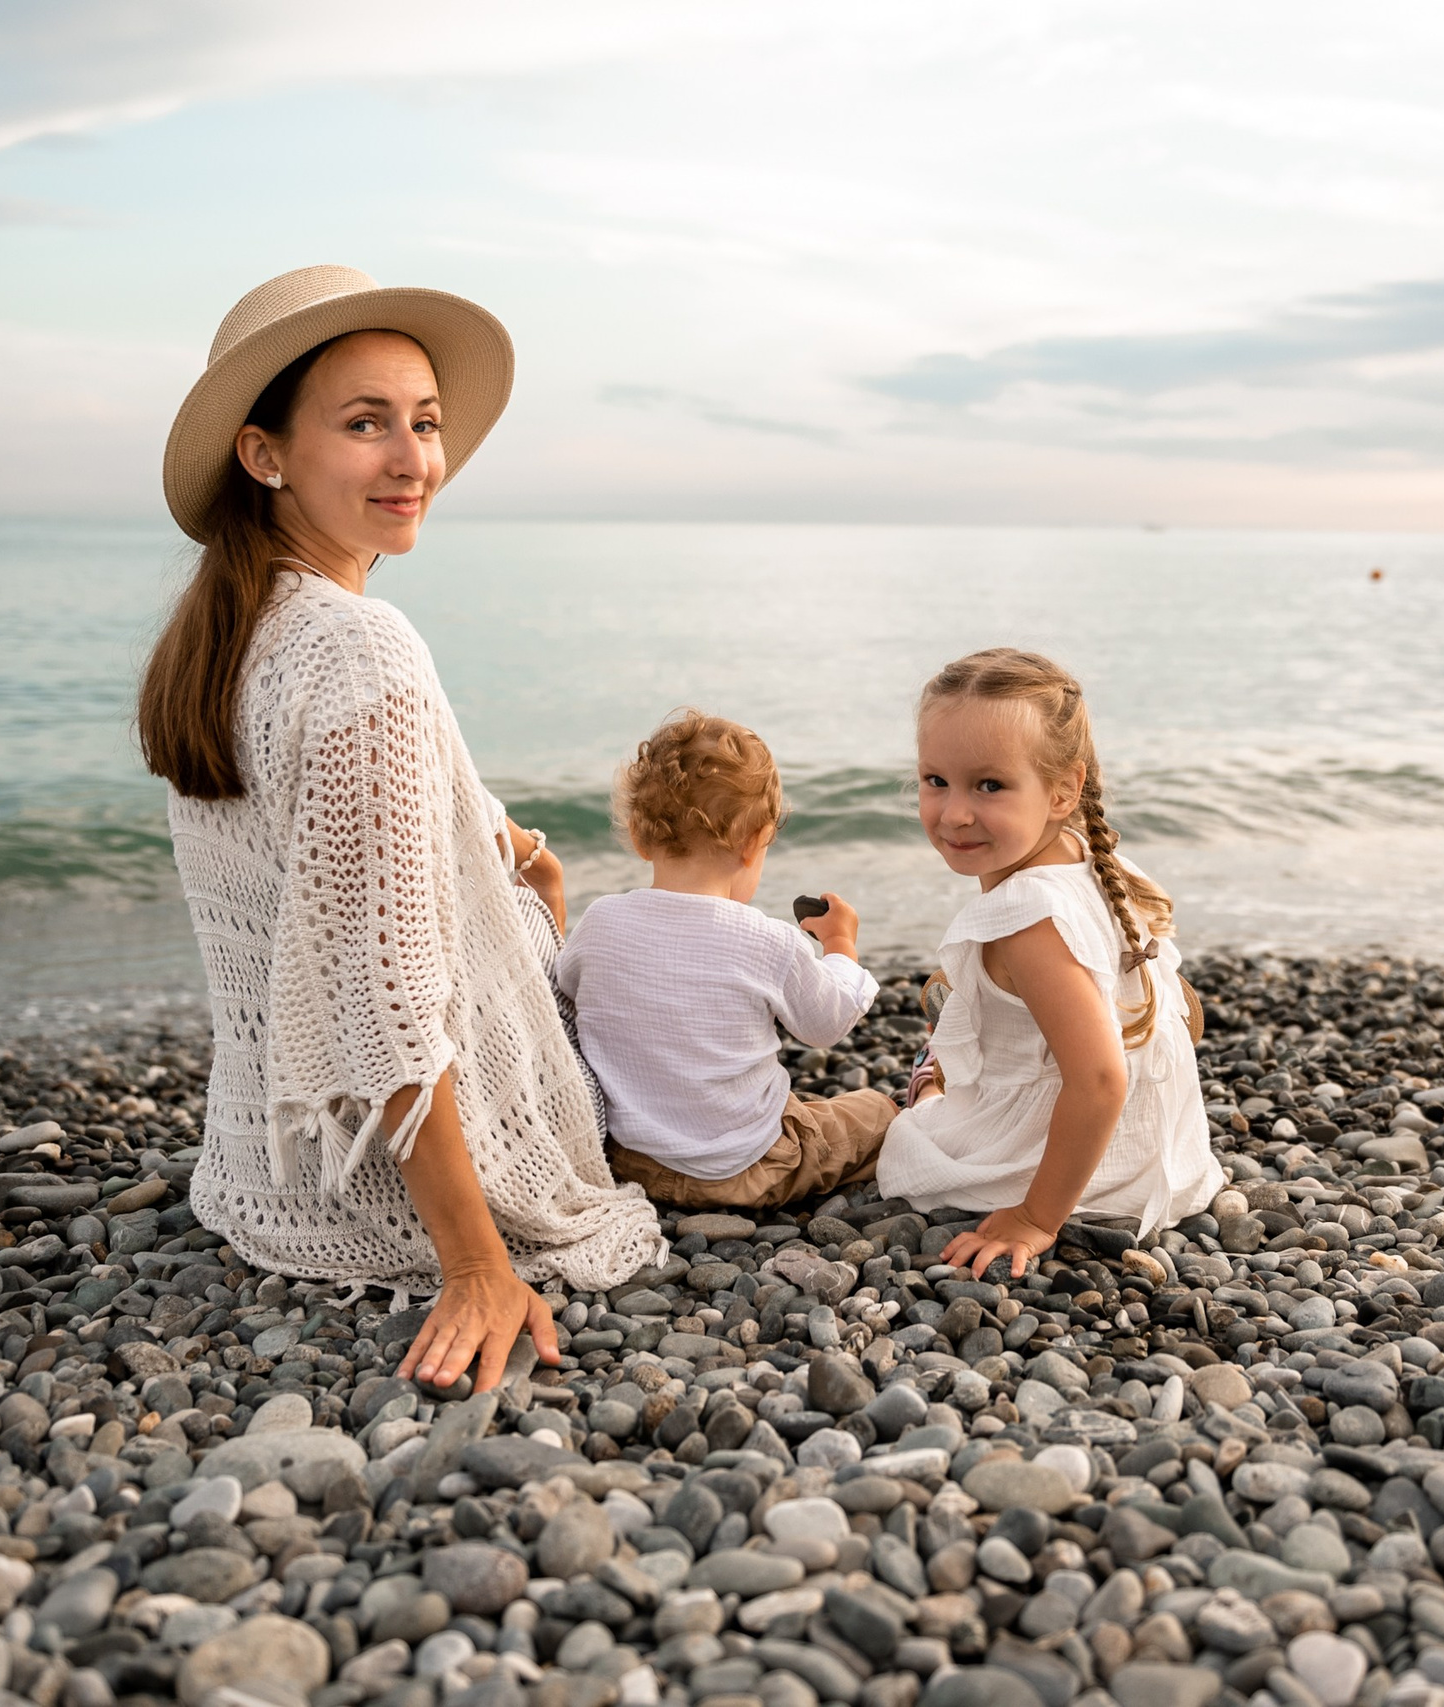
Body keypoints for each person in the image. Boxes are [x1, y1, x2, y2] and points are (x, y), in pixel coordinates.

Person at [139, 265, 664, 1394]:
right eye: (364, 423)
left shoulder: (232, 633)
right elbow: (378, 998)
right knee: (784, 1123)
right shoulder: (355, 649)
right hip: (389, 1199)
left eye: (424, 423)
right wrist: (474, 1264)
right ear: (264, 453)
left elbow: (336, 875)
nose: (412, 458)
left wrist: (516, 859)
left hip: (259, 1173)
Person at [877, 648, 1221, 1276]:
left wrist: (1035, 1219)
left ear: (1065, 789)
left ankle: (934, 1079)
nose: (954, 812)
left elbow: (1099, 1080)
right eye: (936, 781)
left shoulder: (1029, 918)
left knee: (902, 1136)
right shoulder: (1088, 853)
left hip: (1074, 1171)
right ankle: (947, 1061)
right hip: (1154, 1151)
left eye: (990, 785)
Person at [558, 711, 897, 1207]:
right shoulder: (768, 940)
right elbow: (827, 1024)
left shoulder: (600, 922)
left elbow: (568, 988)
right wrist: (840, 945)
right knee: (878, 1111)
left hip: (632, 1160)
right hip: (747, 1166)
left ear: (637, 834)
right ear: (754, 842)